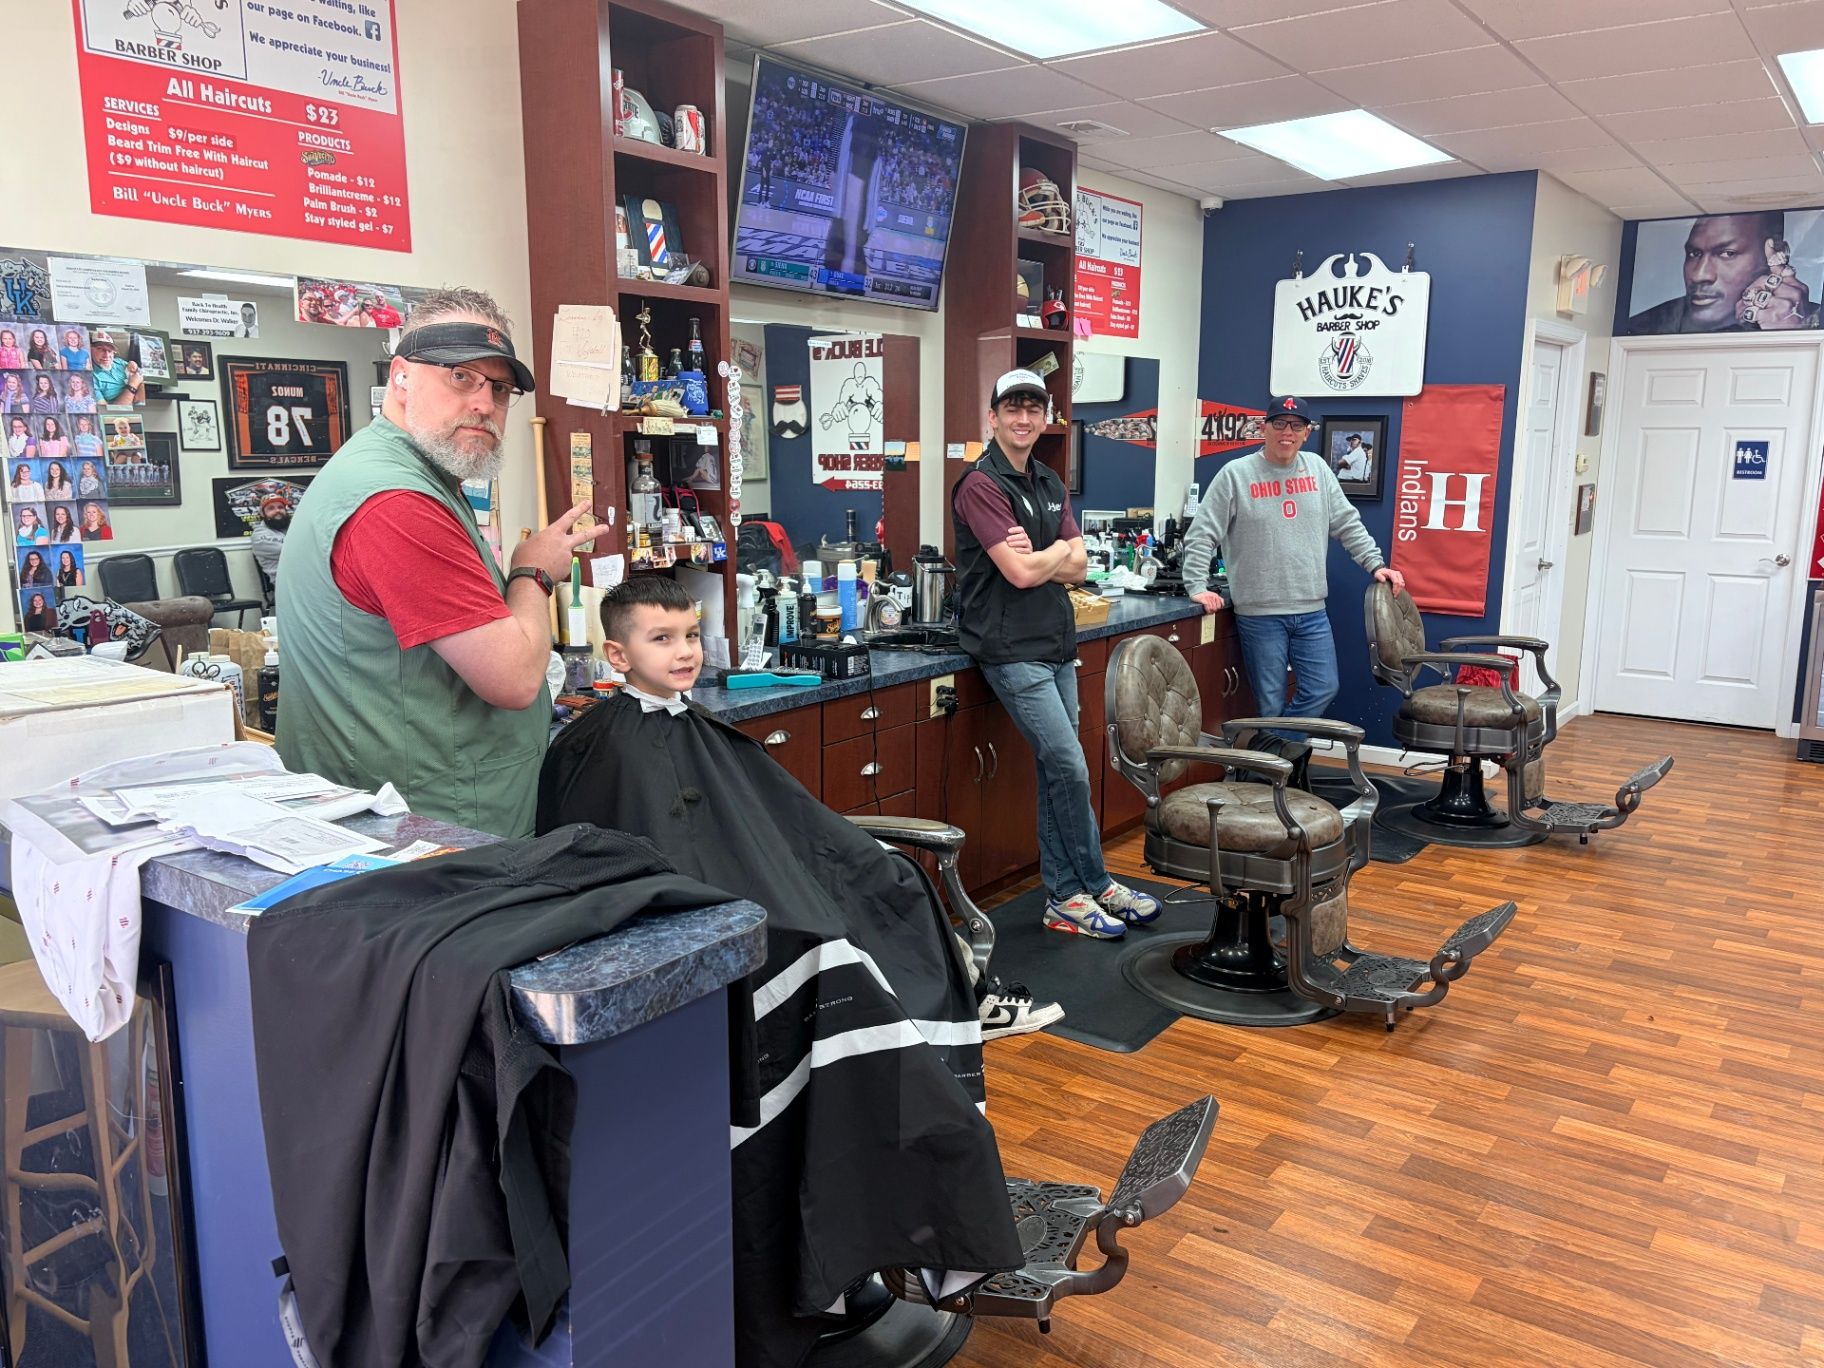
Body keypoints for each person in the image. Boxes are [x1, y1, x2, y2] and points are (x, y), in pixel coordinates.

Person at [538, 576, 1029, 1368]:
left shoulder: (695, 726)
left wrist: (862, 868)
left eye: (690, 634)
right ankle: (915, 1203)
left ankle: (899, 1200)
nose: (684, 651)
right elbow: (644, 871)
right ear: (615, 651)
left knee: (896, 895)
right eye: (661, 639)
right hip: (722, 941)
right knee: (841, 968)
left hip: (778, 911)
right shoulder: (604, 749)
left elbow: (776, 830)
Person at [278, 286, 593, 839]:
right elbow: (514, 678)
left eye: (499, 388)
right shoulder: (398, 503)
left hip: (430, 808)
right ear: (400, 377)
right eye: (460, 377)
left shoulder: (404, 474)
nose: (483, 403)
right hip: (425, 828)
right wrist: (533, 571)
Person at [952, 369, 1161, 940]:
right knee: (1069, 764)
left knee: (1058, 768)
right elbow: (1020, 572)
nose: (1024, 419)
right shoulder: (980, 485)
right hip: (1009, 649)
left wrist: (1046, 555)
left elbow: (1082, 564)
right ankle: (1085, 884)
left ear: (1046, 419)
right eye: (1012, 408)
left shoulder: (1047, 480)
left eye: (1034, 409)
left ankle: (1074, 893)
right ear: (992, 417)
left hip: (1054, 642)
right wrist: (1053, 554)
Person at [1182, 395, 1407, 737]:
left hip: (1311, 609)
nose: (1287, 432)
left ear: (1307, 432)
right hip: (1260, 613)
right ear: (1264, 429)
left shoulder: (1317, 469)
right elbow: (1202, 533)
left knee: (1322, 688)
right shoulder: (1236, 475)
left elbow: (1347, 524)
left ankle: (1270, 766)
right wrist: (1196, 585)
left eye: (1296, 426)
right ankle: (1281, 776)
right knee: (1270, 704)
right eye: (1279, 424)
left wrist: (1375, 564)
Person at [1627, 212, 1818, 334]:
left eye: (1727, 253)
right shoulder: (1641, 327)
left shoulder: (1813, 320)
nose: (1699, 275)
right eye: (1694, 254)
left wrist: (1796, 334)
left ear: (1776, 254)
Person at [250, 492, 289, 586]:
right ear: (263, 514)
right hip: (284, 585)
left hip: (308, 578)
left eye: (280, 507)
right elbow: (291, 553)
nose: (277, 511)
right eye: (271, 508)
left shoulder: (293, 528)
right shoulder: (259, 536)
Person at [90, 332, 129, 402]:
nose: (107, 355)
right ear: (90, 350)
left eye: (110, 350)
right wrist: (133, 385)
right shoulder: (90, 378)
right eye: (100, 349)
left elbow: (140, 376)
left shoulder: (120, 362)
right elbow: (107, 411)